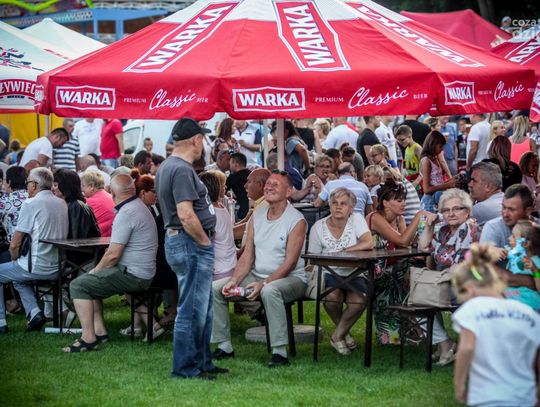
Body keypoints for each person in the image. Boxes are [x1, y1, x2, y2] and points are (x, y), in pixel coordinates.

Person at [211, 171, 307, 367]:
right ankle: (224, 346)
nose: (269, 187)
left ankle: (279, 353)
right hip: (257, 276)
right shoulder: (257, 215)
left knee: (270, 291)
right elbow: (247, 256)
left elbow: (290, 262)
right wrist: (234, 280)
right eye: (268, 184)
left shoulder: (296, 220)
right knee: (216, 288)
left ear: (288, 192)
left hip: (291, 279)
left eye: (275, 185)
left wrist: (264, 283)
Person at [156, 118, 223, 380]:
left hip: (183, 241)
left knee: (201, 307)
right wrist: (204, 242)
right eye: (202, 139)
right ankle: (185, 368)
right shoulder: (181, 169)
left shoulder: (168, 166)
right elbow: (185, 214)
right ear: (196, 140)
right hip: (190, 242)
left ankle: (202, 362)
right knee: (192, 308)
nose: (203, 144)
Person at [64, 174, 158, 352]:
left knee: (78, 285)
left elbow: (113, 255)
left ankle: (88, 338)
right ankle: (99, 332)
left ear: (113, 193)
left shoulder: (127, 212)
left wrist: (96, 271)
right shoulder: (137, 206)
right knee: (89, 282)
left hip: (133, 275)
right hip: (141, 271)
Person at [451, 244, 540, 407]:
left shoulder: (472, 309)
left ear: (469, 289)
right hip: (525, 396)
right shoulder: (528, 313)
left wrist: (459, 386)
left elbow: (467, 348)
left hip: (488, 396)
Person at [0, 168, 68, 334]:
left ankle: (1, 322)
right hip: (59, 266)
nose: (27, 185)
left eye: (28, 182)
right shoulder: (61, 202)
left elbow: (15, 244)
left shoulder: (30, 204)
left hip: (36, 265)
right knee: (18, 279)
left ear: (35, 185)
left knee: (11, 271)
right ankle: (34, 313)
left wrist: (15, 259)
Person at [366, 180, 435, 344]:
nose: (403, 203)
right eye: (398, 200)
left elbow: (406, 246)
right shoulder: (375, 218)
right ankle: (414, 326)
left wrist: (424, 232)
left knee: (418, 268)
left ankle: (417, 323)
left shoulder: (399, 219)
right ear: (385, 203)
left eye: (404, 199)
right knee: (412, 271)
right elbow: (402, 240)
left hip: (393, 268)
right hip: (373, 270)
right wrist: (418, 216)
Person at [418, 188, 480, 365]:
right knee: (416, 294)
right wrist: (430, 225)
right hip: (445, 281)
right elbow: (423, 246)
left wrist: (452, 270)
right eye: (446, 210)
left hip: (467, 284)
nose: (451, 214)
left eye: (456, 209)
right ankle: (444, 343)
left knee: (420, 295)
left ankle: (444, 345)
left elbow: (469, 263)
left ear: (467, 211)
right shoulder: (443, 231)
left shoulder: (471, 229)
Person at [308, 188, 373, 355]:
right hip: (328, 273)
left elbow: (368, 242)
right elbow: (311, 258)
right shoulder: (318, 227)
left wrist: (344, 251)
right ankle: (344, 333)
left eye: (343, 204)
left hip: (354, 273)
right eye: (334, 203)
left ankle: (337, 336)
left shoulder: (356, 219)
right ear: (329, 205)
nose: (338, 207)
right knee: (332, 297)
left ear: (351, 208)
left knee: (359, 301)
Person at [200, 171, 237, 281]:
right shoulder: (221, 207)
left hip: (218, 272)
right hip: (230, 266)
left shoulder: (209, 214)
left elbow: (205, 246)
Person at [503, 220, 540, 312]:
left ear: (525, 243)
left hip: (530, 307)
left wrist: (535, 270)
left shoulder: (536, 262)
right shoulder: (514, 258)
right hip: (511, 305)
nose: (509, 238)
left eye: (513, 236)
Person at [53, 169, 100, 240]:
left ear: (65, 186)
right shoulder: (70, 204)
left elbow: (76, 237)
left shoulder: (76, 206)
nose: (52, 188)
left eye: (55, 185)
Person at [419, 131, 456, 212]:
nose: (442, 149)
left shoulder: (434, 159)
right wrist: (447, 184)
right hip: (429, 203)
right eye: (440, 146)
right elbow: (427, 189)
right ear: (432, 145)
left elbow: (437, 182)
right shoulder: (426, 161)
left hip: (436, 200)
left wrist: (452, 180)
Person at [233, 168, 271, 242]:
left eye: (249, 182)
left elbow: (246, 229)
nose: (245, 186)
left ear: (260, 185)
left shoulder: (266, 206)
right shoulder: (262, 203)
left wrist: (223, 233)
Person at [80, 171, 115, 237]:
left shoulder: (90, 202)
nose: (82, 190)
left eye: (83, 186)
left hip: (99, 239)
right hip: (111, 236)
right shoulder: (111, 197)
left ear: (91, 186)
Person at [469, 162, 504, 226]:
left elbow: (454, 225)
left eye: (474, 181)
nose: (470, 185)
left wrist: (468, 201)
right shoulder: (506, 199)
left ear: (488, 186)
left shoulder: (481, 208)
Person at [395, 125, 422, 190]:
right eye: (398, 140)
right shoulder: (407, 148)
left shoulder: (417, 148)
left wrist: (416, 182)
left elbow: (424, 168)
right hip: (410, 180)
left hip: (419, 183)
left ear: (409, 136)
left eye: (402, 140)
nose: (400, 142)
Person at [226, 153, 251, 220]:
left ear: (235, 164)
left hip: (242, 211)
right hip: (252, 208)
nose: (229, 166)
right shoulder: (251, 174)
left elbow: (223, 190)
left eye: (230, 163)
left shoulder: (233, 177)